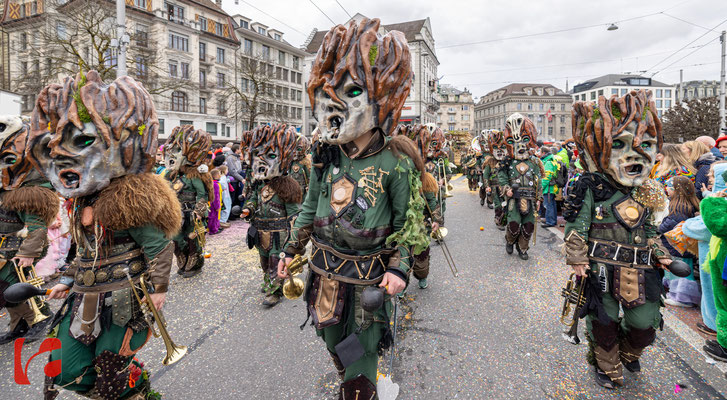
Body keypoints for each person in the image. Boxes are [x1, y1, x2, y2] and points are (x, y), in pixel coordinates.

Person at [276, 18, 427, 399]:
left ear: (381, 96)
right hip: (323, 276)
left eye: (352, 90)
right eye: (327, 92)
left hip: (368, 287)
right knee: (333, 347)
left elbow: (408, 224)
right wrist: (290, 249)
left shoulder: (396, 162)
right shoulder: (325, 155)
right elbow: (309, 207)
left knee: (358, 376)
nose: (333, 103)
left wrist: (399, 268)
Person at [32, 70, 180, 400]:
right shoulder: (81, 198)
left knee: (111, 373)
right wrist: (66, 282)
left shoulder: (129, 198)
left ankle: (134, 389)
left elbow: (158, 247)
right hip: (83, 297)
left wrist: (159, 289)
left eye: (83, 141)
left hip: (124, 300)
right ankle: (129, 384)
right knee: (66, 371)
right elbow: (85, 253)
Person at [563, 90, 671, 389]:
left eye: (645, 145)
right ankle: (606, 364)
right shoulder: (590, 184)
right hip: (601, 271)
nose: (634, 154)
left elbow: (650, 228)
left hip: (641, 270)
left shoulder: (646, 188)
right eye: (620, 145)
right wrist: (577, 260)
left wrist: (660, 252)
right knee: (604, 323)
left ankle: (627, 351)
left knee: (644, 326)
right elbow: (576, 225)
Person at [0, 116, 58, 345]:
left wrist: (28, 252)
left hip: (18, 249)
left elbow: (37, 226)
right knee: (7, 291)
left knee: (20, 287)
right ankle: (18, 325)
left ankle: (41, 319)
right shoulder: (6, 189)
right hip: (5, 248)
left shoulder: (28, 192)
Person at [243, 124, 302, 307]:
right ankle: (269, 282)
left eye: (270, 156)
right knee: (264, 261)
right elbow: (252, 199)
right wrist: (248, 209)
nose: (261, 161)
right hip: (260, 231)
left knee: (276, 260)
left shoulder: (288, 186)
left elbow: (294, 214)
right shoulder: (258, 184)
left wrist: (294, 239)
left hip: (279, 234)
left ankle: (275, 291)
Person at [393, 124, 443, 290]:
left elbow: (432, 202)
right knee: (400, 256)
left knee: (422, 258)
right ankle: (402, 283)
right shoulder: (394, 175)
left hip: (421, 225)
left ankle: (422, 276)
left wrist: (436, 219)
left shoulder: (426, 178)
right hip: (400, 225)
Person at [164, 126, 213, 278]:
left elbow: (202, 194)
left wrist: (198, 212)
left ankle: (194, 264)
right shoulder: (170, 174)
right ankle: (182, 257)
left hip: (191, 214)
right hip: (177, 214)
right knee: (176, 239)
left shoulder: (195, 175)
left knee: (192, 239)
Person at [499, 113, 543, 260]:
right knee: (514, 224)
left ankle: (523, 248)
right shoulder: (507, 162)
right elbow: (502, 177)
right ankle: (510, 240)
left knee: (529, 226)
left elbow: (538, 180)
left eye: (525, 140)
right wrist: (506, 189)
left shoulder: (535, 162)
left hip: (530, 198)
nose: (521, 146)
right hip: (514, 198)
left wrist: (539, 198)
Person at [659, 176, 701, 307]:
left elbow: (670, 224)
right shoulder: (684, 204)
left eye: (669, 188)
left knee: (681, 272)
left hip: (678, 246)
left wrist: (659, 227)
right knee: (674, 270)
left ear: (678, 191)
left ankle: (684, 298)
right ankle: (675, 293)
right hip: (677, 246)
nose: (667, 190)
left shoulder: (680, 207)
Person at [483, 130, 508, 229]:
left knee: (506, 205)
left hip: (506, 188)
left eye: (502, 147)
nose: (499, 150)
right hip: (494, 188)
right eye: (496, 148)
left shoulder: (508, 161)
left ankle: (504, 219)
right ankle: (499, 221)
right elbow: (485, 175)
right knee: (498, 205)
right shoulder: (490, 161)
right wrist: (487, 186)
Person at [288, 134, 311, 200]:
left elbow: (309, 177)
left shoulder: (306, 161)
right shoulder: (291, 161)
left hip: (303, 192)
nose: (295, 151)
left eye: (298, 148)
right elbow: (289, 174)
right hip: (292, 190)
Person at [541, 147, 559, 228]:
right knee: (551, 204)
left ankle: (550, 221)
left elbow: (546, 177)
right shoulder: (551, 160)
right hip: (551, 187)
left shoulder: (548, 162)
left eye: (540, 152)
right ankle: (551, 219)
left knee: (548, 204)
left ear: (544, 153)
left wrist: (541, 187)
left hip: (548, 187)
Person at [226, 144, 245, 210]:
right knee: (232, 197)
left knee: (236, 196)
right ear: (236, 150)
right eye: (240, 149)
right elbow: (232, 171)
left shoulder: (237, 157)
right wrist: (241, 179)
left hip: (237, 180)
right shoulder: (230, 158)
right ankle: (231, 214)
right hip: (233, 180)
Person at [208, 168, 222, 235]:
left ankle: (216, 227)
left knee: (213, 217)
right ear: (215, 176)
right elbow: (216, 196)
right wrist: (217, 205)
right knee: (214, 217)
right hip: (213, 204)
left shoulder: (211, 183)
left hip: (210, 203)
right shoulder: (215, 184)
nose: (220, 176)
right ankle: (213, 230)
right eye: (219, 174)